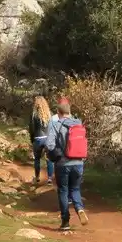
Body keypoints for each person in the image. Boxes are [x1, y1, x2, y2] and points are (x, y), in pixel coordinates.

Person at [45, 98, 88, 231]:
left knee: (63, 190)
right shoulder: (78, 123)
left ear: (58, 113)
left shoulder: (56, 125)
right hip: (78, 162)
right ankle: (79, 209)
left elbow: (49, 145)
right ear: (70, 112)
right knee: (75, 189)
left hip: (63, 163)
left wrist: (55, 154)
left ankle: (65, 222)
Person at [28, 96, 54, 184]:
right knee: (49, 159)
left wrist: (32, 140)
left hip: (38, 138)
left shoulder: (33, 115)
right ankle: (49, 179)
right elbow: (52, 128)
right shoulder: (50, 114)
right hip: (48, 138)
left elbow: (31, 129)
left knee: (37, 159)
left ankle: (37, 177)